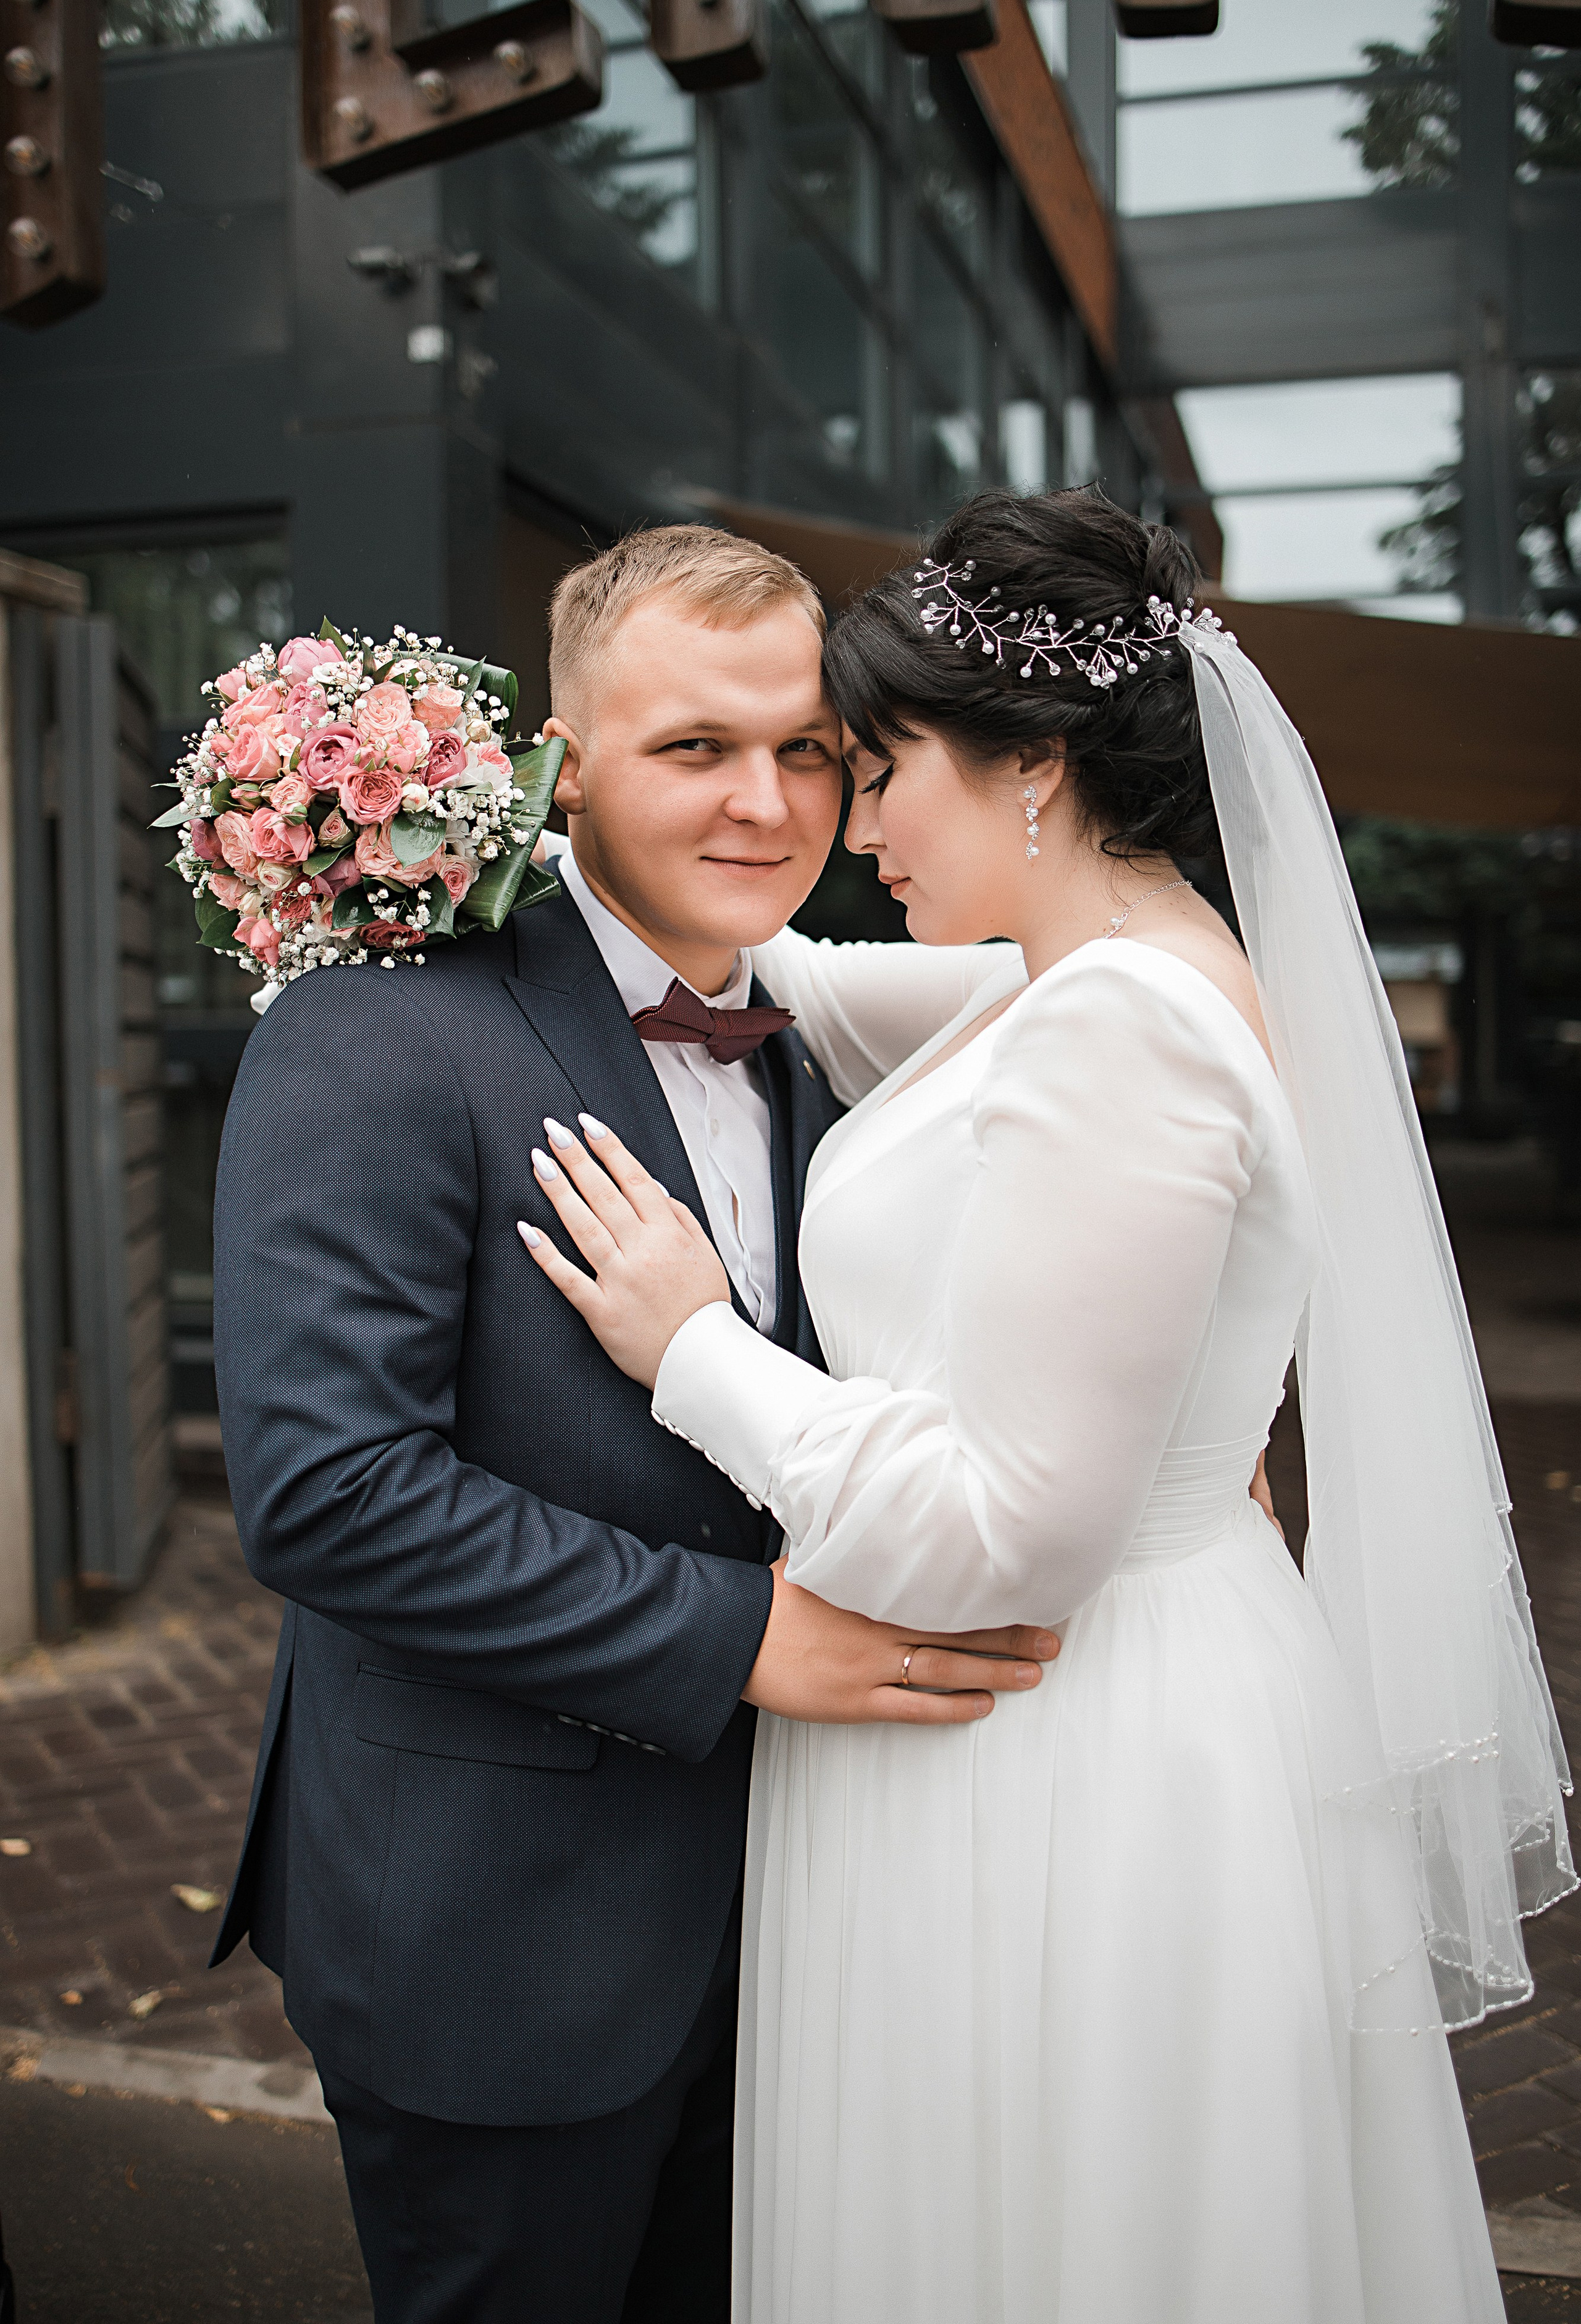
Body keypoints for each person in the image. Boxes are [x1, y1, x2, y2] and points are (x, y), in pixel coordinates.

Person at [520, 487, 1577, 2323]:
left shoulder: (1129, 1028)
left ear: (1030, 767)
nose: (845, 824)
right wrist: (454, 826)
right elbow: (774, 965)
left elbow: (1012, 1528)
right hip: (1053, 1717)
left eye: (873, 764)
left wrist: (697, 1349)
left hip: (1061, 1740)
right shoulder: (1067, 975)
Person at [208, 524, 1063, 2324]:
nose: (768, 802)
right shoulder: (374, 1031)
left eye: (809, 749)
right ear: (564, 761)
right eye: (695, 749)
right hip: (498, 1929)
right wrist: (749, 1637)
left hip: (812, 1933)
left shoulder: (851, 1042)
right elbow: (329, 1495)